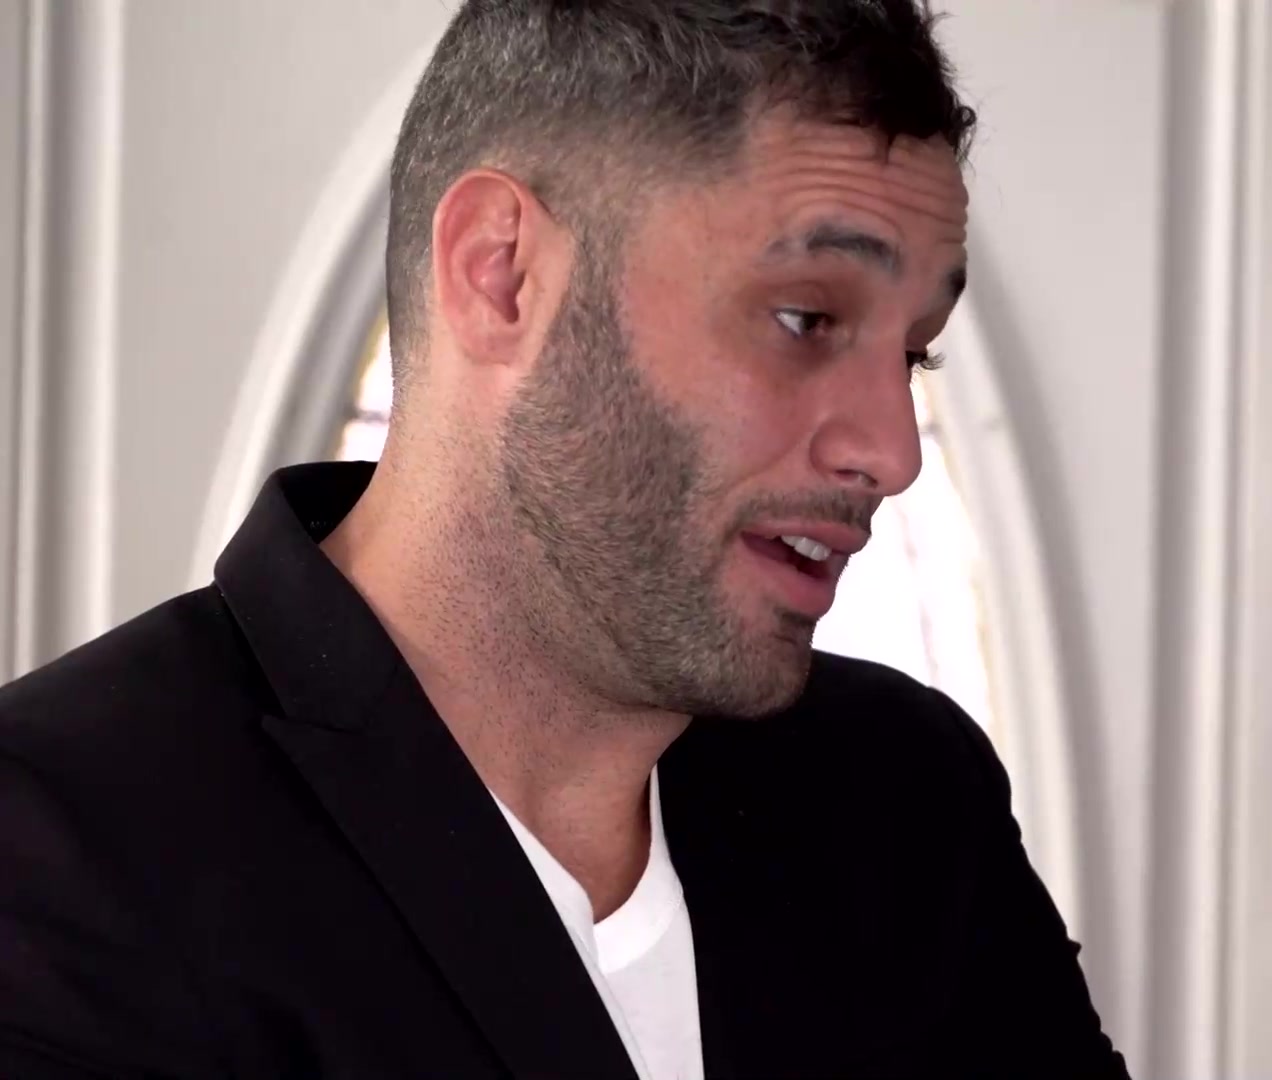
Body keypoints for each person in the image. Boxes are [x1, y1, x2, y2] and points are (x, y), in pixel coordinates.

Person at [0, 2, 1127, 1076]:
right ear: (503, 275)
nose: (891, 450)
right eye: (806, 319)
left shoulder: (910, 805)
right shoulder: (60, 849)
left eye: (914, 353)